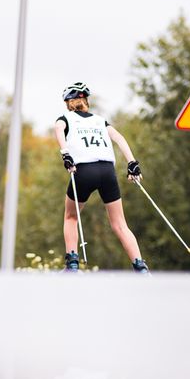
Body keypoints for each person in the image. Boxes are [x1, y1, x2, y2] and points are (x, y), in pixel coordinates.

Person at [54, 82, 149, 273]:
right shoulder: (100, 120)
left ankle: (72, 263)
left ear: (68, 103)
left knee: (71, 216)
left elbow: (58, 128)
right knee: (120, 224)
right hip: (107, 171)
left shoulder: (66, 118)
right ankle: (141, 267)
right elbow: (119, 138)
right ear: (85, 101)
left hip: (84, 170)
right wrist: (132, 163)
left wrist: (65, 153)